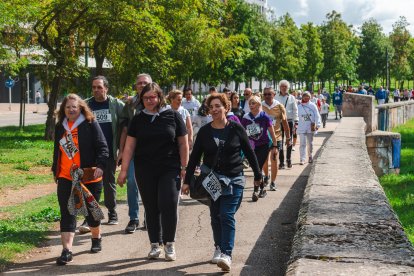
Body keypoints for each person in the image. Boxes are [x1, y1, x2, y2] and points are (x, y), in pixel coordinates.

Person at [181, 93, 261, 272]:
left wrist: (257, 175)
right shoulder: (204, 132)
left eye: (218, 106)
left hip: (235, 178)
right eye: (211, 107)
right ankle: (218, 246)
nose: (214, 109)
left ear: (226, 107)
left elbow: (249, 152)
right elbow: (194, 158)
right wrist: (187, 181)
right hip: (213, 179)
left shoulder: (236, 128)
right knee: (216, 214)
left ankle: (226, 253)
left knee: (226, 214)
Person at [117, 83, 189, 261]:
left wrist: (184, 167)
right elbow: (130, 146)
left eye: (152, 97)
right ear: (141, 99)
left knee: (169, 203)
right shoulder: (138, 119)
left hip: (169, 167)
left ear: (159, 97)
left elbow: (183, 143)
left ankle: (169, 244)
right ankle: (155, 245)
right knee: (151, 206)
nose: (149, 101)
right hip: (145, 169)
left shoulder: (172, 115)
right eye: (145, 98)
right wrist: (124, 170)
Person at [52, 93, 109, 265]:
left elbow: (102, 147)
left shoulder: (90, 124)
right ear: (63, 109)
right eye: (67, 107)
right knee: (67, 212)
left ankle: (96, 237)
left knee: (91, 212)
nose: (70, 110)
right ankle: (67, 250)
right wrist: (55, 169)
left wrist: (100, 166)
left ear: (80, 108)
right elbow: (57, 150)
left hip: (88, 177)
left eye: (74, 107)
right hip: (65, 176)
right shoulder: (60, 126)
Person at [77, 76, 125, 233]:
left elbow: (128, 121)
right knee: (88, 185)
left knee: (108, 183)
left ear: (106, 88)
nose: (96, 90)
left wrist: (122, 149)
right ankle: (88, 216)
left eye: (99, 87)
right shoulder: (86, 105)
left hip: (109, 151)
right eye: (94, 87)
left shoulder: (116, 104)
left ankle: (112, 212)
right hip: (89, 154)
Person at [118, 73, 152, 233]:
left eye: (145, 82)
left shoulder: (158, 101)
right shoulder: (130, 104)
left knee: (151, 184)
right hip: (132, 150)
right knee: (132, 181)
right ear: (135, 85)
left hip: (152, 151)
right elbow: (124, 129)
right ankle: (134, 218)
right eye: (139, 83)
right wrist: (121, 151)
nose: (142, 85)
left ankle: (149, 217)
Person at [241, 95, 278, 201]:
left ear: (258, 105)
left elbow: (271, 131)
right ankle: (262, 189)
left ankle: (255, 190)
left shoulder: (264, 116)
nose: (251, 105)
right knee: (256, 169)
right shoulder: (246, 117)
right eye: (250, 104)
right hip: (251, 147)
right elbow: (242, 132)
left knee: (258, 167)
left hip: (263, 146)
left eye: (253, 103)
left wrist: (275, 145)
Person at [261, 87, 290, 191]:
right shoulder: (260, 106)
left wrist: (288, 137)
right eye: (265, 94)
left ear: (274, 95)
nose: (267, 96)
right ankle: (266, 176)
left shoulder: (279, 106)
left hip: (276, 137)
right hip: (263, 137)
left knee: (274, 159)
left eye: (269, 94)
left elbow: (285, 123)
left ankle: (273, 182)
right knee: (264, 160)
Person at [275, 80, 298, 169]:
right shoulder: (276, 97)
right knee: (279, 141)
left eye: (285, 86)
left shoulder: (292, 97)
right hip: (279, 122)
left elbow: (295, 110)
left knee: (289, 140)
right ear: (279, 87)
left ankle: (289, 159)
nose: (284, 88)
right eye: (282, 86)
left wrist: (296, 122)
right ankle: (281, 161)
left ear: (288, 88)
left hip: (289, 121)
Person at [297, 91, 321, 165]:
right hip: (301, 127)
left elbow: (317, 115)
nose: (306, 97)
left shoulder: (312, 105)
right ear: (302, 97)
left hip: (310, 127)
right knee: (302, 143)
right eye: (305, 96)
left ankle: (310, 156)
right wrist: (295, 125)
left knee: (310, 143)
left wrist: (318, 124)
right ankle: (302, 159)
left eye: (308, 96)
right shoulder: (299, 106)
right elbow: (296, 116)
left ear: (310, 97)